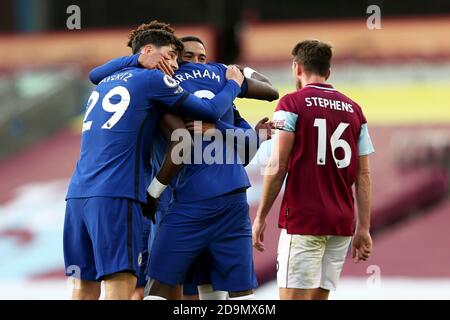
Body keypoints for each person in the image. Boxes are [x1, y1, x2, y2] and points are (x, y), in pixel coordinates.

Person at [89, 21, 279, 300]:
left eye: (201, 57)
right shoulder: (220, 77)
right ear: (173, 54)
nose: (193, 63)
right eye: (188, 56)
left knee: (159, 286)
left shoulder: (159, 78)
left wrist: (153, 193)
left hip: (181, 196)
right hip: (233, 193)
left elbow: (96, 75)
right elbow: (269, 96)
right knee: (224, 289)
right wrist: (239, 74)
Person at [252, 40, 375, 300]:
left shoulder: (291, 104)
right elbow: (363, 176)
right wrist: (363, 227)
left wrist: (261, 216)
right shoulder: (355, 111)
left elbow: (278, 164)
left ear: (296, 68)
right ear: (328, 72)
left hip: (304, 221)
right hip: (341, 223)